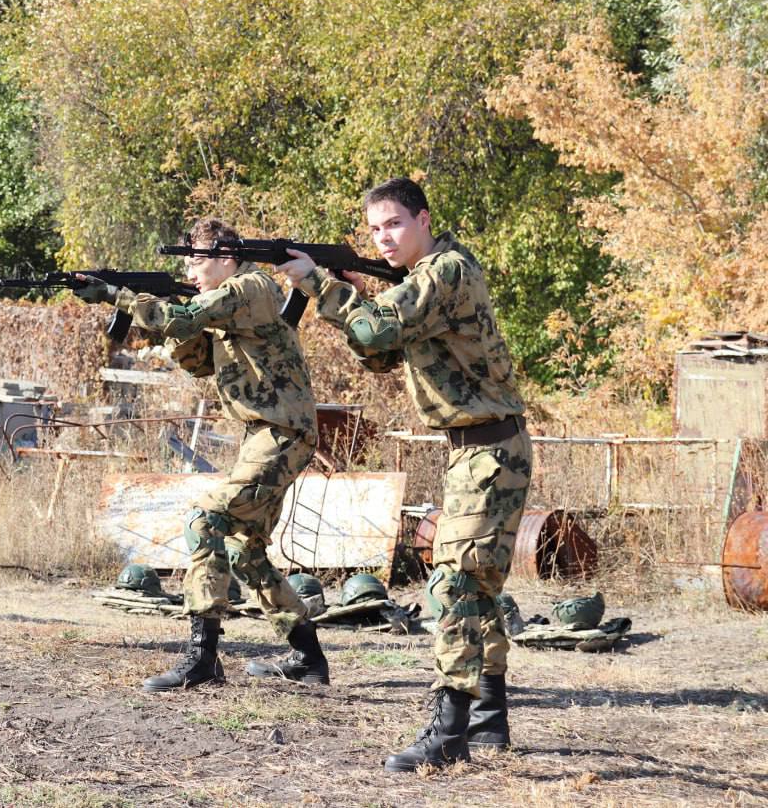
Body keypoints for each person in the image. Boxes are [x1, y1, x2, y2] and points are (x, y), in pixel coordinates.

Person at [275, 177, 531, 771]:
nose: (382, 237)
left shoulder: (445, 271)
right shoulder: (424, 279)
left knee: (455, 585)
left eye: (392, 224)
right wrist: (354, 294)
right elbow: (380, 355)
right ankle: (488, 719)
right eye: (372, 230)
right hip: (477, 447)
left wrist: (317, 283)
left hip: (490, 447)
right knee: (479, 585)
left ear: (422, 219)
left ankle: (448, 730)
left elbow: (372, 331)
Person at [76, 217, 329, 691]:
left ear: (226, 258)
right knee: (244, 552)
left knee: (205, 520)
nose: (190, 270)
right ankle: (308, 657)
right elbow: (197, 362)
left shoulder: (250, 287)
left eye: (196, 259)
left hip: (281, 433)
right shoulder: (223, 310)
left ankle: (203, 657)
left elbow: (185, 318)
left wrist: (119, 295)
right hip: (264, 435)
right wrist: (170, 312)